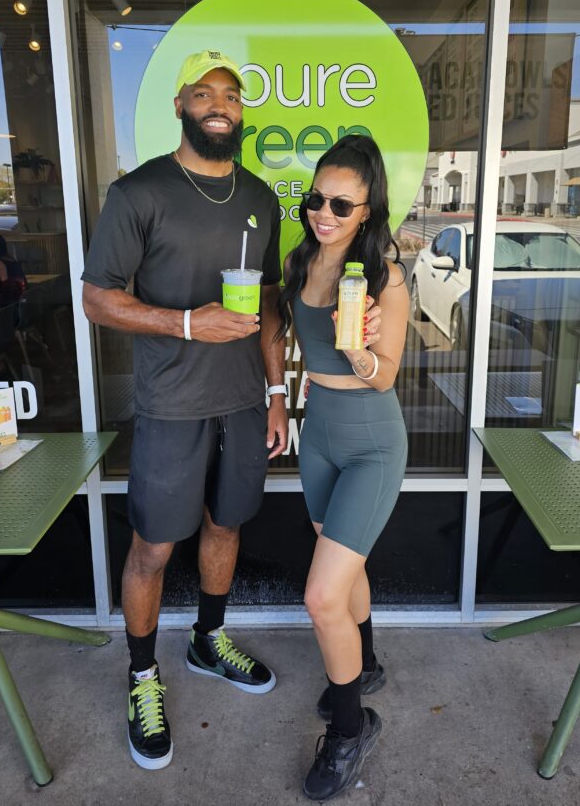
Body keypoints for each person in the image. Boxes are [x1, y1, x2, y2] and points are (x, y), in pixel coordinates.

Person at [81, 49, 288, 771]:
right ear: (180, 105)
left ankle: (207, 640)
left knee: (225, 525)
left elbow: (266, 306)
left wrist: (277, 391)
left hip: (239, 404)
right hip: (171, 403)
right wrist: (187, 323)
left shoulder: (262, 198)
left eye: (230, 94)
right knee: (153, 546)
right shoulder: (138, 193)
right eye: (203, 92)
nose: (219, 104)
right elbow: (97, 298)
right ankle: (141, 676)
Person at [279, 134, 409, 801]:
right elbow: (278, 332)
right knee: (344, 564)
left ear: (366, 211)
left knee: (321, 595)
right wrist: (278, 397)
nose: (323, 212)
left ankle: (351, 728)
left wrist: (359, 352)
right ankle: (369, 663)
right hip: (320, 437)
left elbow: (385, 378)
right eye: (315, 198)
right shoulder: (302, 260)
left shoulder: (382, 276)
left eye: (341, 203)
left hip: (372, 446)